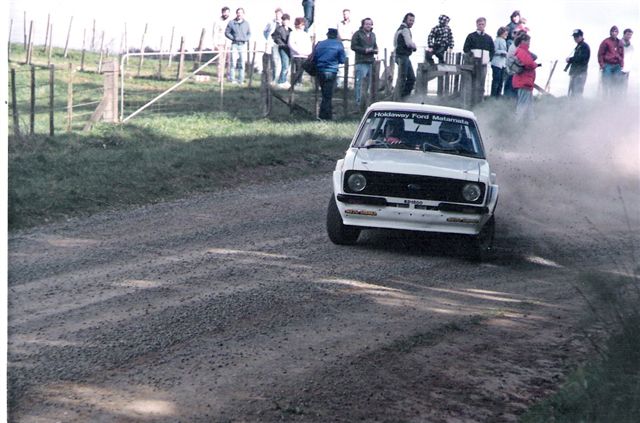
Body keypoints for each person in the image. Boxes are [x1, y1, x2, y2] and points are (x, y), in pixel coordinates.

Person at [314, 28, 346, 120]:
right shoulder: (339, 45)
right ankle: (325, 116)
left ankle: (324, 114)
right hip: (331, 70)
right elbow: (342, 60)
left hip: (320, 70)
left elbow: (315, 57)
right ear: (336, 36)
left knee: (324, 93)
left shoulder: (320, 44)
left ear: (327, 35)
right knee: (328, 95)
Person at [463, 17, 494, 99]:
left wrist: (488, 59)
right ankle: (471, 100)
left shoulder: (489, 38)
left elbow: (492, 50)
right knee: (472, 83)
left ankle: (480, 101)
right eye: (479, 24)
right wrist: (471, 57)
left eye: (482, 24)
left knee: (481, 84)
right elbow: (465, 49)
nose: (481, 26)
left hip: (483, 65)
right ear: (476, 24)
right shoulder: (471, 36)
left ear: (485, 25)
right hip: (473, 64)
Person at [351, 18, 378, 105]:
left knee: (370, 84)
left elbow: (375, 45)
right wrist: (364, 50)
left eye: (370, 24)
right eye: (366, 24)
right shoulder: (357, 34)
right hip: (361, 61)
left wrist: (375, 50)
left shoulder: (373, 35)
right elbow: (353, 46)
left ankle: (368, 101)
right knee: (360, 83)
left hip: (371, 61)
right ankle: (359, 102)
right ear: (363, 25)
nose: (368, 25)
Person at [512, 33, 539, 122]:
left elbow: (534, 57)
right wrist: (535, 64)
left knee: (529, 106)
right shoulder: (522, 51)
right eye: (528, 41)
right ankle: (517, 123)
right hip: (524, 82)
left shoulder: (521, 51)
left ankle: (530, 123)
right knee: (522, 105)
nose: (529, 43)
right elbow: (529, 63)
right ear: (523, 41)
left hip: (526, 82)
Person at [394, 13, 417, 99]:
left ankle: (400, 97)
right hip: (403, 56)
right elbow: (409, 43)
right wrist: (414, 46)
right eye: (410, 20)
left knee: (404, 77)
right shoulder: (405, 30)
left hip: (400, 55)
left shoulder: (399, 29)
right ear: (405, 20)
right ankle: (403, 98)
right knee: (408, 78)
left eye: (413, 21)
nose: (412, 22)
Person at [225, 7, 251, 84]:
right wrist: (233, 38)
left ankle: (241, 80)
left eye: (241, 13)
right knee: (233, 62)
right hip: (234, 44)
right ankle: (232, 79)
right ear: (236, 13)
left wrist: (246, 38)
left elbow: (249, 33)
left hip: (242, 45)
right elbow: (227, 32)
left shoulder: (246, 23)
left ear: (243, 14)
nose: (239, 14)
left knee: (242, 62)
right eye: (238, 12)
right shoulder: (231, 22)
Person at [598, 26, 625, 97]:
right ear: (610, 32)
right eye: (612, 31)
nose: (614, 33)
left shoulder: (620, 42)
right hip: (607, 65)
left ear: (618, 33)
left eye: (615, 31)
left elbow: (622, 54)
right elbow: (600, 54)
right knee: (606, 82)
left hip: (617, 65)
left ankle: (614, 99)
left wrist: (621, 64)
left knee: (616, 83)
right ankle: (605, 98)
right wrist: (602, 64)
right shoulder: (605, 41)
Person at [565, 29, 591, 97]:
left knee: (577, 93)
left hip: (580, 73)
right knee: (573, 93)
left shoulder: (584, 46)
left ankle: (578, 107)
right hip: (575, 73)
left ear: (581, 36)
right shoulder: (579, 46)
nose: (575, 38)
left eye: (577, 36)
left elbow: (581, 58)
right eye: (574, 37)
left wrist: (570, 59)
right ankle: (573, 106)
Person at [288, 17, 313, 85]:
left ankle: (299, 82)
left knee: (302, 69)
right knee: (298, 68)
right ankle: (295, 83)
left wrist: (309, 52)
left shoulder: (306, 34)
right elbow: (291, 43)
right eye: (301, 24)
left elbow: (309, 44)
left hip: (305, 55)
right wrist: (298, 51)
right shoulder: (293, 33)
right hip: (296, 55)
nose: (302, 26)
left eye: (303, 24)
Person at [212, 6, 231, 83]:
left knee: (229, 61)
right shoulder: (217, 21)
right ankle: (219, 78)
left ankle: (228, 77)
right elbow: (214, 32)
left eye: (227, 12)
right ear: (222, 12)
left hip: (229, 43)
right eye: (224, 12)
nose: (225, 14)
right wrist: (214, 43)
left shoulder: (231, 21)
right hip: (220, 43)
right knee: (220, 61)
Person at [263, 8, 283, 82]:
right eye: (277, 14)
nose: (278, 15)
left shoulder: (283, 23)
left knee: (279, 62)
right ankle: (271, 78)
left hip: (280, 44)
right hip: (272, 43)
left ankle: (278, 78)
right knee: (272, 61)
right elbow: (265, 32)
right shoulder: (271, 23)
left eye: (279, 14)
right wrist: (269, 39)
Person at [272, 14, 292, 85]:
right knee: (285, 64)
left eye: (286, 20)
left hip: (289, 49)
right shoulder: (279, 29)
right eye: (283, 20)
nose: (285, 21)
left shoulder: (290, 30)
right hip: (282, 49)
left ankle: (284, 80)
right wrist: (282, 44)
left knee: (288, 65)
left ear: (289, 21)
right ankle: (281, 81)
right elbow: (275, 37)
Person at [490, 27, 508, 97]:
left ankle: (498, 96)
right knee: (496, 81)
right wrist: (502, 52)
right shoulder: (497, 40)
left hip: (502, 63)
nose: (506, 34)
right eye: (505, 32)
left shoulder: (504, 41)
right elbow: (494, 50)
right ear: (501, 33)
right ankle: (493, 96)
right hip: (497, 63)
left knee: (501, 82)